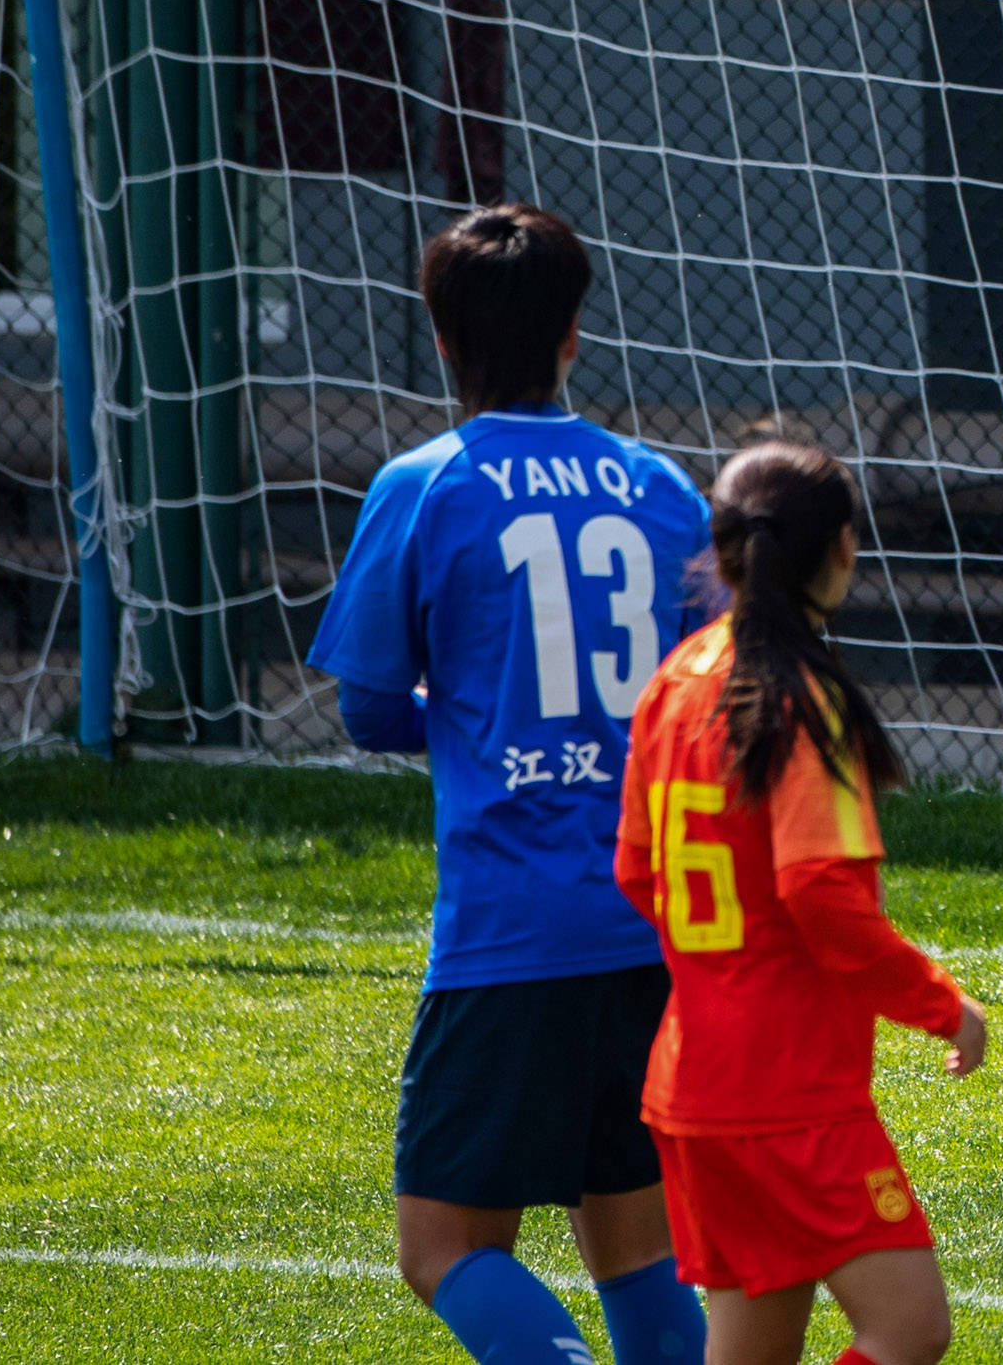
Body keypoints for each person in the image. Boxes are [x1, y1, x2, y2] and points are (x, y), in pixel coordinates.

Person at [305, 203, 716, 1365]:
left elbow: (372, 706)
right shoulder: (661, 488)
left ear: (439, 338)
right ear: (575, 334)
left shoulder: (425, 484)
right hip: (649, 922)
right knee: (635, 1242)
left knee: (443, 1245)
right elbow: (713, 686)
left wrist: (484, 719)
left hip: (511, 930)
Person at [615, 441, 990, 1365]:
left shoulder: (674, 682)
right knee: (909, 1325)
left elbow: (634, 869)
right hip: (789, 1090)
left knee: (753, 1342)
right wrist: (944, 1004)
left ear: (728, 549)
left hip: (694, 1081)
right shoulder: (800, 697)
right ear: (843, 550)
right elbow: (822, 894)